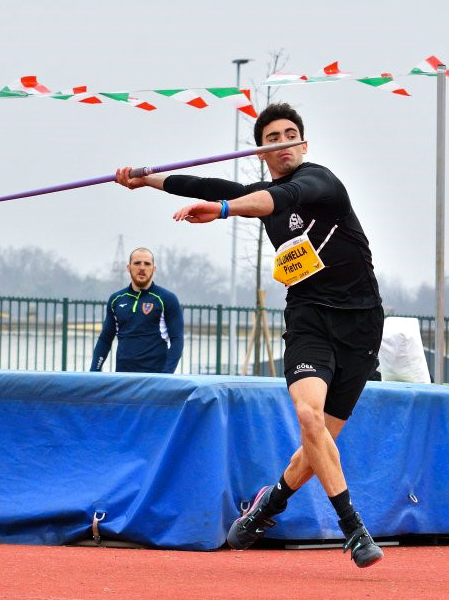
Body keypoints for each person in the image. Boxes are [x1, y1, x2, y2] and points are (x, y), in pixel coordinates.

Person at [113, 103, 385, 568]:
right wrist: (146, 179)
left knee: (317, 446)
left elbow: (267, 201)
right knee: (309, 416)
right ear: (262, 152)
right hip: (309, 321)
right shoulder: (264, 190)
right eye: (272, 140)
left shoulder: (322, 183)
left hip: (361, 325)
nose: (282, 145)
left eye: (289, 135)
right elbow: (208, 185)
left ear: (303, 142)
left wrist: (222, 211)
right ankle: (353, 529)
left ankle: (270, 503)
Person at [90, 247, 184, 373]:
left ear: (153, 269)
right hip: (123, 378)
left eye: (147, 264)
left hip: (155, 379)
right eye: (137, 263)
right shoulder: (116, 299)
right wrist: (94, 371)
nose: (142, 267)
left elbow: (177, 340)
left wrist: (166, 376)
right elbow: (105, 339)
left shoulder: (167, 298)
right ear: (128, 268)